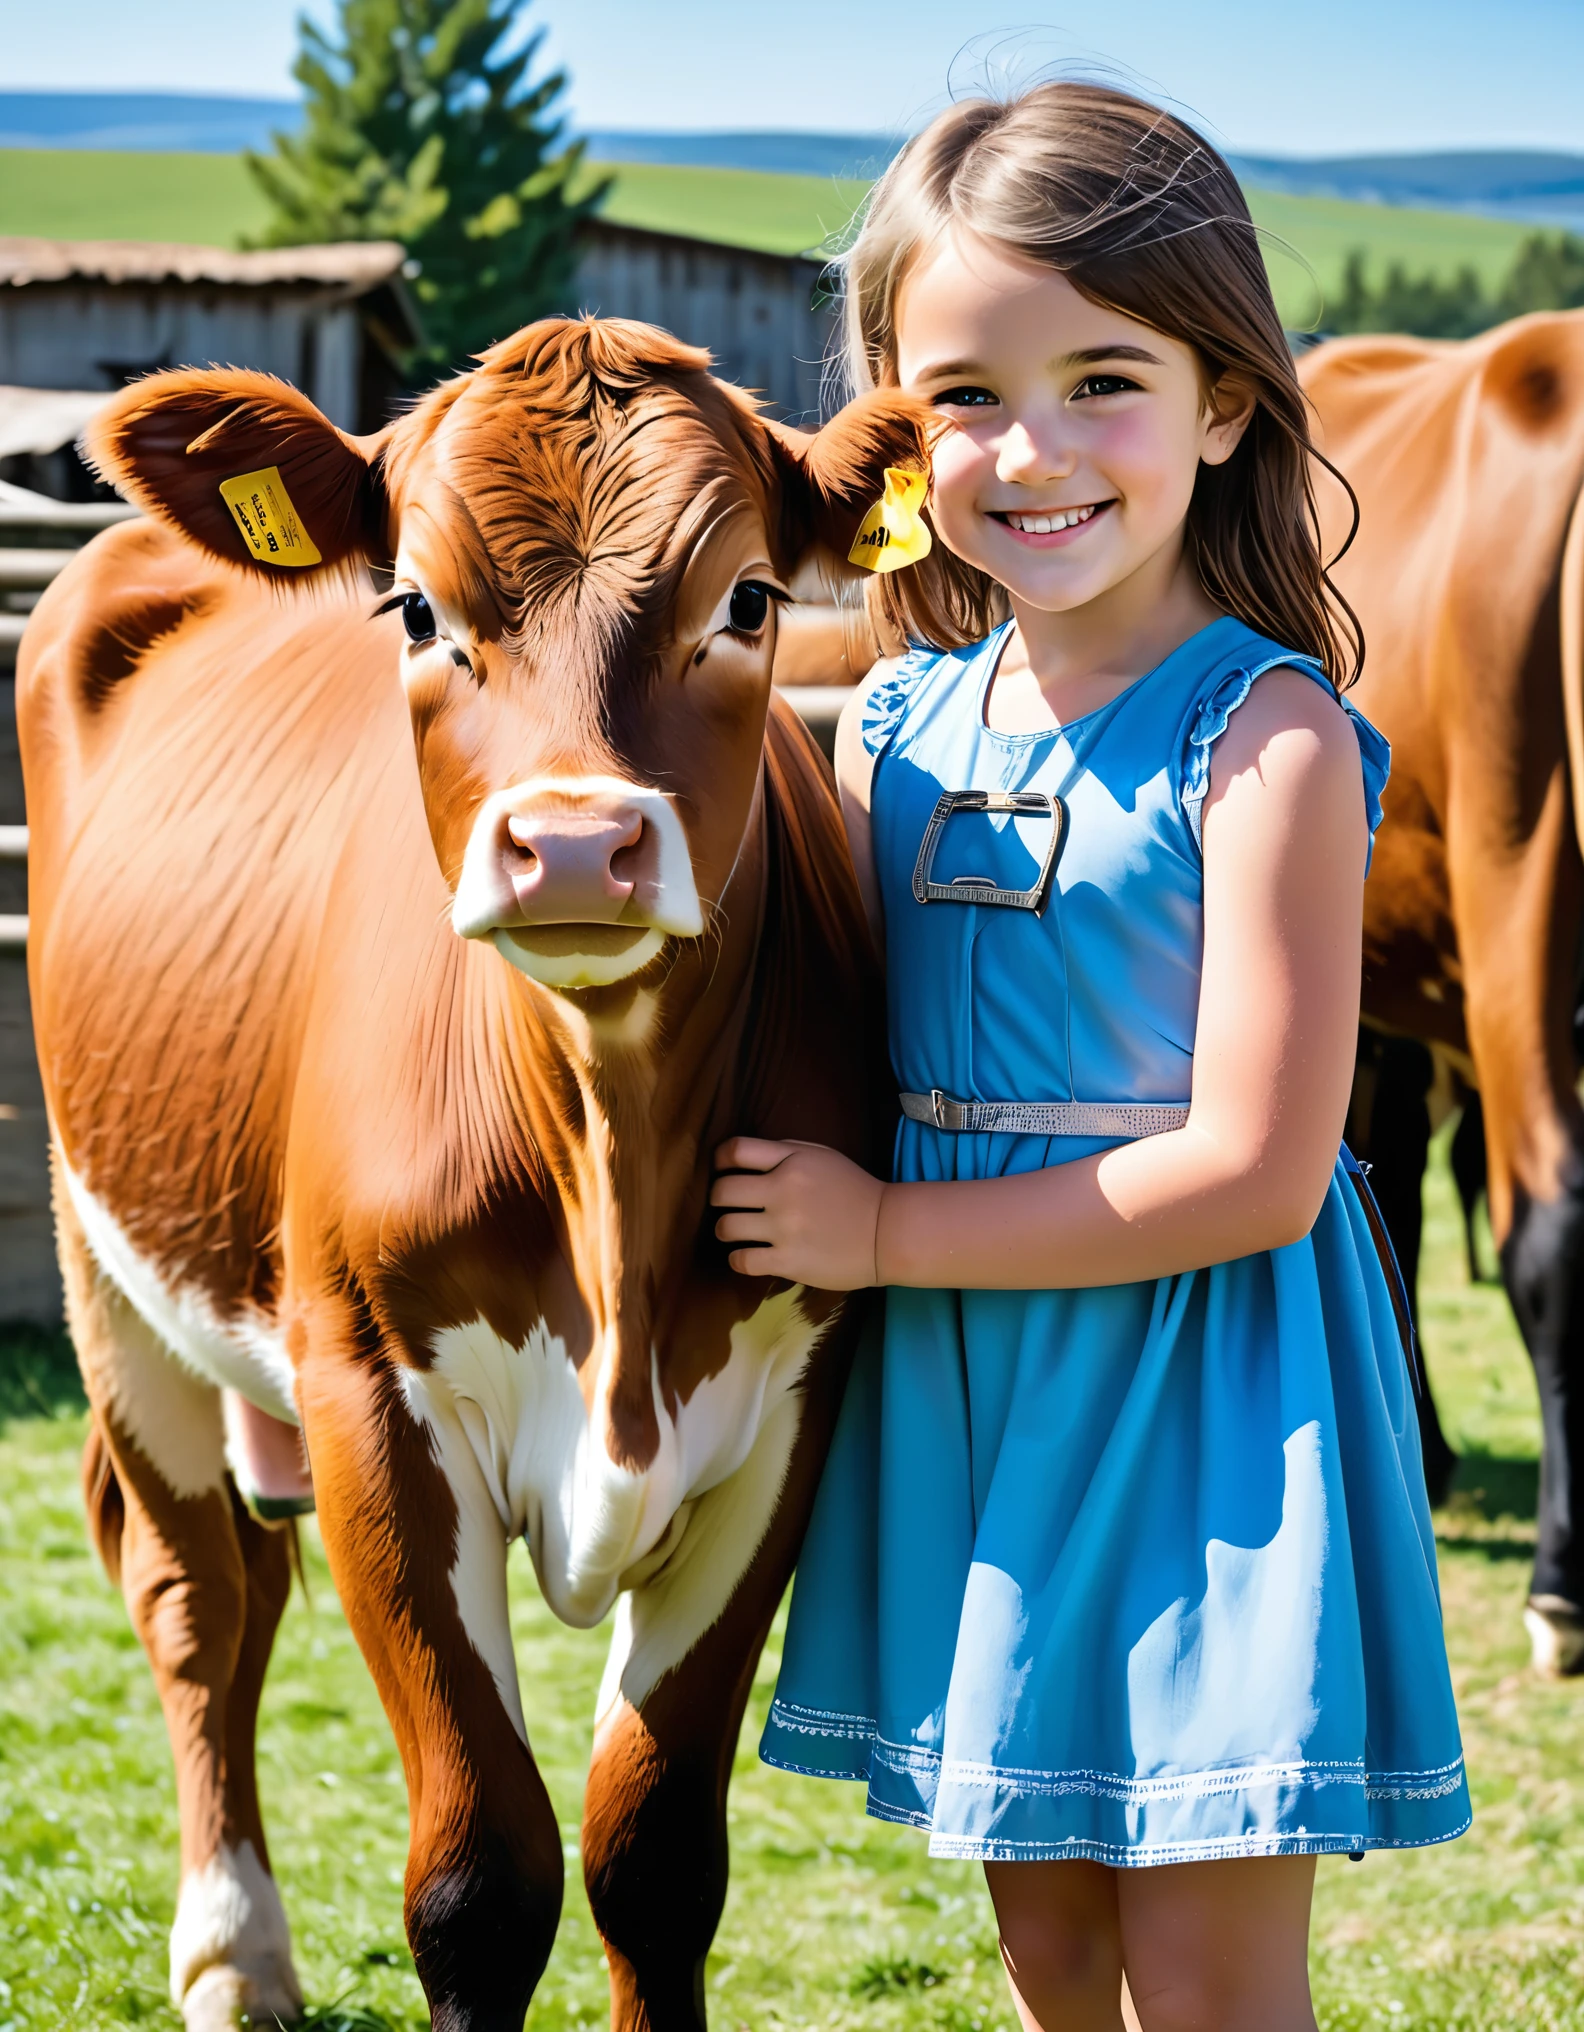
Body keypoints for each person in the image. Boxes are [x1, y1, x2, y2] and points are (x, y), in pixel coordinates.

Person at [710, 81, 1469, 2032]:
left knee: (1207, 1979)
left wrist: (879, 1234)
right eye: (963, 393)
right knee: (1050, 1953)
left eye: (1101, 380)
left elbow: (1259, 1168)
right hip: (974, 1416)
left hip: (1204, 1406)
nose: (1029, 451)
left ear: (1225, 402)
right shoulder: (891, 729)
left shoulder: (1268, 738)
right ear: (891, 424)